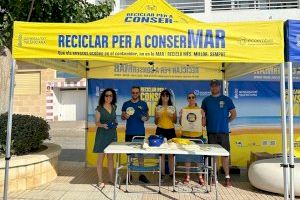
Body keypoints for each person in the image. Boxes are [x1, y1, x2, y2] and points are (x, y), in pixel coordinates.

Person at [201, 80, 237, 187]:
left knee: (225, 156)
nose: (214, 88)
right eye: (212, 86)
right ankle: (214, 177)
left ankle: (227, 177)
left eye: (216, 86)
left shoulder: (226, 99)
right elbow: (203, 120)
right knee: (213, 156)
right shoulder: (206, 100)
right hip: (211, 132)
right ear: (210, 87)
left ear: (219, 87)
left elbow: (234, 114)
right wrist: (203, 117)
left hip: (223, 132)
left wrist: (226, 121)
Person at [121, 86, 150, 183]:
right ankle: (129, 174)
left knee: (140, 155)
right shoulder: (126, 104)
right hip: (129, 132)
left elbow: (147, 117)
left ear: (139, 93)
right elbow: (122, 117)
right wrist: (125, 116)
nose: (135, 94)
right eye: (133, 92)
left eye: (136, 93)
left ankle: (142, 174)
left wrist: (145, 118)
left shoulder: (143, 104)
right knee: (129, 155)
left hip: (140, 133)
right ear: (131, 93)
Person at [93, 88, 118, 188]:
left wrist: (116, 123)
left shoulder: (114, 107)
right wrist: (103, 125)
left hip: (112, 134)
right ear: (103, 96)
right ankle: (100, 180)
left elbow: (114, 119)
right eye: (106, 95)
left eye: (110, 95)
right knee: (100, 158)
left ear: (113, 97)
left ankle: (111, 179)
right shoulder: (99, 108)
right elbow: (97, 122)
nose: (108, 97)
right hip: (102, 135)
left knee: (110, 158)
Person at [179, 92, 205, 185]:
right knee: (187, 157)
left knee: (199, 158)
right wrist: (181, 116)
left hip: (198, 136)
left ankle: (200, 176)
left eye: (193, 97)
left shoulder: (200, 110)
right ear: (187, 99)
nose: (191, 99)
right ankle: (187, 176)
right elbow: (181, 123)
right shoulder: (184, 109)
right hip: (186, 136)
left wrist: (203, 116)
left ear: (195, 98)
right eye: (189, 97)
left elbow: (203, 124)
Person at [155, 89, 177, 178]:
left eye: (167, 95)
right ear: (161, 97)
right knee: (162, 153)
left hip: (171, 131)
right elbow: (156, 122)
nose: (165, 97)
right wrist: (157, 117)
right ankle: (162, 173)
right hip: (160, 130)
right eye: (163, 95)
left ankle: (172, 173)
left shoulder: (172, 108)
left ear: (169, 97)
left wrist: (172, 117)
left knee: (171, 153)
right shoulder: (157, 107)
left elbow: (175, 121)